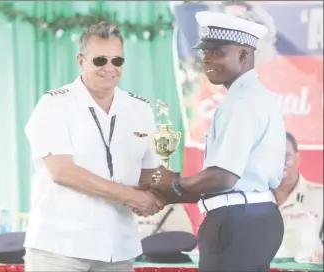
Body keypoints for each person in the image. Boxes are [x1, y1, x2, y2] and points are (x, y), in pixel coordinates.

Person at [140, 11, 287, 271]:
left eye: (216, 52)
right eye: (205, 52)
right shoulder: (252, 95)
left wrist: (173, 184)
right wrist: (168, 196)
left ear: (243, 55)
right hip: (252, 220)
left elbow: (224, 177)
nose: (206, 59)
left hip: (237, 223)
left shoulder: (240, 102)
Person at [23, 21, 164, 272]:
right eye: (100, 60)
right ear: (81, 61)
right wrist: (132, 196)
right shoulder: (54, 104)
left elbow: (150, 173)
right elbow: (62, 172)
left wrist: (176, 190)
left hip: (118, 249)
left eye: (117, 61)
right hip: (60, 248)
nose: (109, 68)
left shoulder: (140, 109)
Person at [275, 132, 323, 262]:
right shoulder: (253, 200)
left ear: (298, 157)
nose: (279, 163)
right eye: (272, 157)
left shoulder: (320, 197)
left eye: (286, 156)